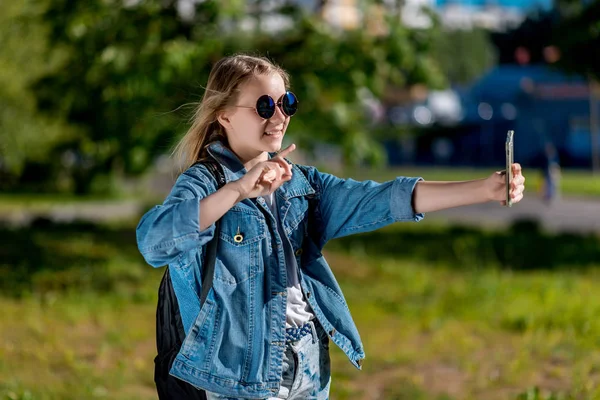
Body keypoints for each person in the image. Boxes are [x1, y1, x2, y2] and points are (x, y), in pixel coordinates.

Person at [136, 54, 526, 400]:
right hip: (239, 374)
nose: (279, 117)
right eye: (264, 105)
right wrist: (238, 190)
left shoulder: (301, 184)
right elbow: (155, 242)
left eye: (286, 103)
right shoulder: (205, 183)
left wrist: (485, 189)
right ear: (224, 115)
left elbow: (384, 199)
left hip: (307, 365)